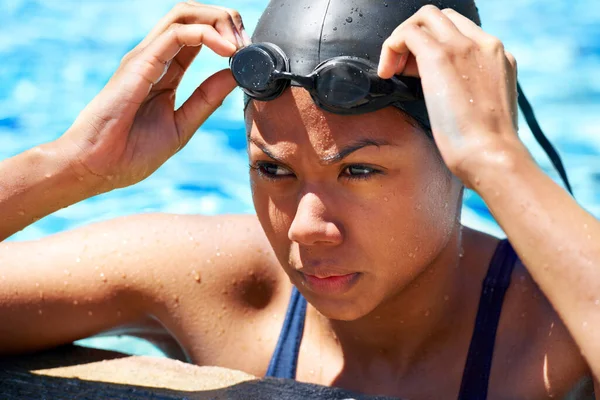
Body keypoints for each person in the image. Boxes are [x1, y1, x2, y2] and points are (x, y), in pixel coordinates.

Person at [0, 0, 599, 398]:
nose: (306, 229)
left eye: (360, 170)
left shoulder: (552, 330)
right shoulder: (217, 281)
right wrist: (67, 169)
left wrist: (499, 157)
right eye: (273, 169)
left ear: (459, 161)